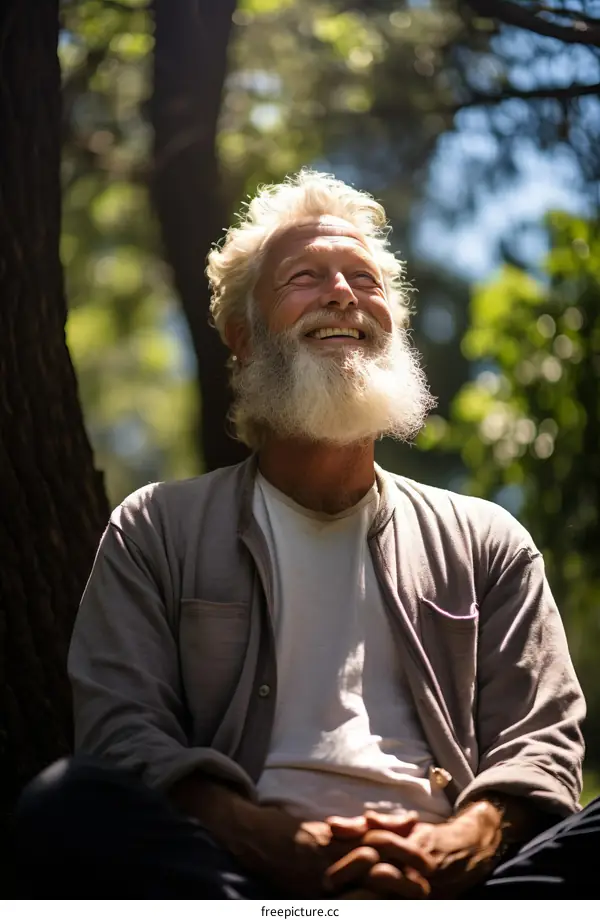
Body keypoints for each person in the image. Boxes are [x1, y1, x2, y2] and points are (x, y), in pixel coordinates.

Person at [14, 170, 592, 899]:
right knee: (63, 806)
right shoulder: (156, 526)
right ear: (244, 339)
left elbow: (542, 742)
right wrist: (272, 840)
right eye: (305, 277)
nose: (343, 293)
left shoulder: (488, 540)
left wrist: (454, 843)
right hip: (240, 872)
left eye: (362, 277)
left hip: (453, 884)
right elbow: (121, 731)